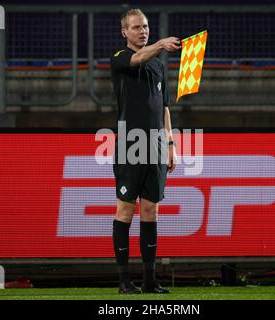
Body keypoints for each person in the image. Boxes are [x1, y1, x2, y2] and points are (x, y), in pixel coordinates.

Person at [110, 8, 180, 294]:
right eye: (136, 27)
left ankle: (149, 280)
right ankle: (125, 281)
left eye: (146, 26)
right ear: (124, 32)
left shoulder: (159, 67)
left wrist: (171, 145)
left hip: (156, 145)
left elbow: (164, 108)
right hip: (131, 143)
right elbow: (138, 57)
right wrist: (161, 44)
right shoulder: (120, 58)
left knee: (150, 210)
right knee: (125, 210)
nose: (143, 31)